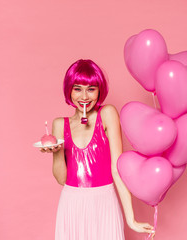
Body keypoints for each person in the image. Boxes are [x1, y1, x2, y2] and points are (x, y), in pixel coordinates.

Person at [41, 59, 154, 240]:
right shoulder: (60, 124)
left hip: (104, 201)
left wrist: (131, 218)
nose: (84, 96)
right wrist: (56, 152)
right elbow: (62, 179)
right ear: (69, 90)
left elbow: (117, 170)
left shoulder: (107, 114)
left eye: (91, 89)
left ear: (99, 90)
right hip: (72, 203)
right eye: (77, 89)